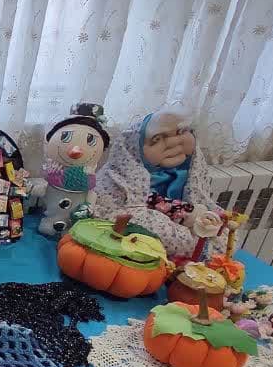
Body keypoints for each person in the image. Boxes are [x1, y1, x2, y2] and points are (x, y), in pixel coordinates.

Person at [92, 109, 223, 258]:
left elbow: (209, 213)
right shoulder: (117, 176)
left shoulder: (191, 173)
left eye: (181, 132)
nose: (174, 142)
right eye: (157, 139)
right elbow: (114, 215)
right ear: (135, 147)